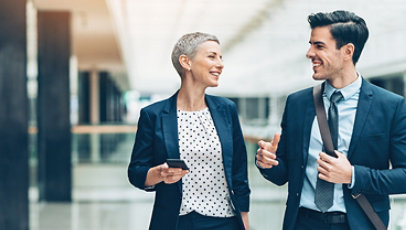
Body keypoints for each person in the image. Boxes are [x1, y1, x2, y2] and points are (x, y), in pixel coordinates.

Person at [256, 10, 406, 230]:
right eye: (311, 44)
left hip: (357, 224)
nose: (309, 53)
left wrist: (353, 175)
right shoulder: (298, 103)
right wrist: (267, 164)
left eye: (319, 46)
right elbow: (283, 175)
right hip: (302, 223)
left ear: (347, 51)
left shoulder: (390, 106)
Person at [128, 32, 250, 230]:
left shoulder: (226, 109)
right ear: (186, 62)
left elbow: (239, 171)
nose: (220, 64)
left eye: (221, 57)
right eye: (212, 56)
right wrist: (159, 173)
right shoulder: (154, 115)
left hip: (225, 220)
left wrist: (244, 219)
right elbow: (136, 172)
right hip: (175, 221)